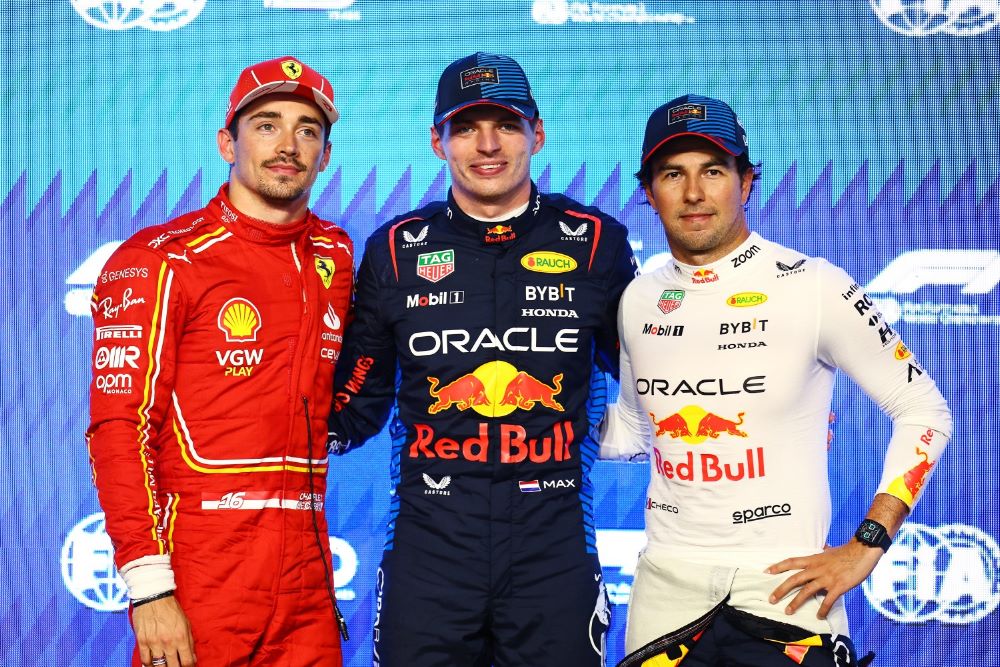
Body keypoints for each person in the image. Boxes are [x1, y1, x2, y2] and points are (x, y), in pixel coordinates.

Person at [600, 94, 952, 666]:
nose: (693, 193)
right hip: (665, 592)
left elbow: (924, 411)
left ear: (746, 183)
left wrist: (868, 544)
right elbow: (639, 433)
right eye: (673, 173)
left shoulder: (812, 285)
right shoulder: (639, 296)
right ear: (649, 189)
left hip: (787, 591)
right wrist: (544, 418)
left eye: (713, 171)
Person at [327, 52, 637, 666]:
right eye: (465, 127)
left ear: (537, 133)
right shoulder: (394, 248)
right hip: (430, 544)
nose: (487, 145)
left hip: (554, 546)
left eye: (507, 125)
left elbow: (650, 371)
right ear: (437, 141)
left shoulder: (597, 240)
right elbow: (355, 405)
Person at [86, 56, 352, 667]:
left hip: (308, 575)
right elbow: (119, 427)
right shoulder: (161, 258)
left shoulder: (334, 253)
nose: (289, 145)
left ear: (326, 154)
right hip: (202, 568)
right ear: (226, 142)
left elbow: (337, 388)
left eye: (308, 130)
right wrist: (149, 585)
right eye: (267, 125)